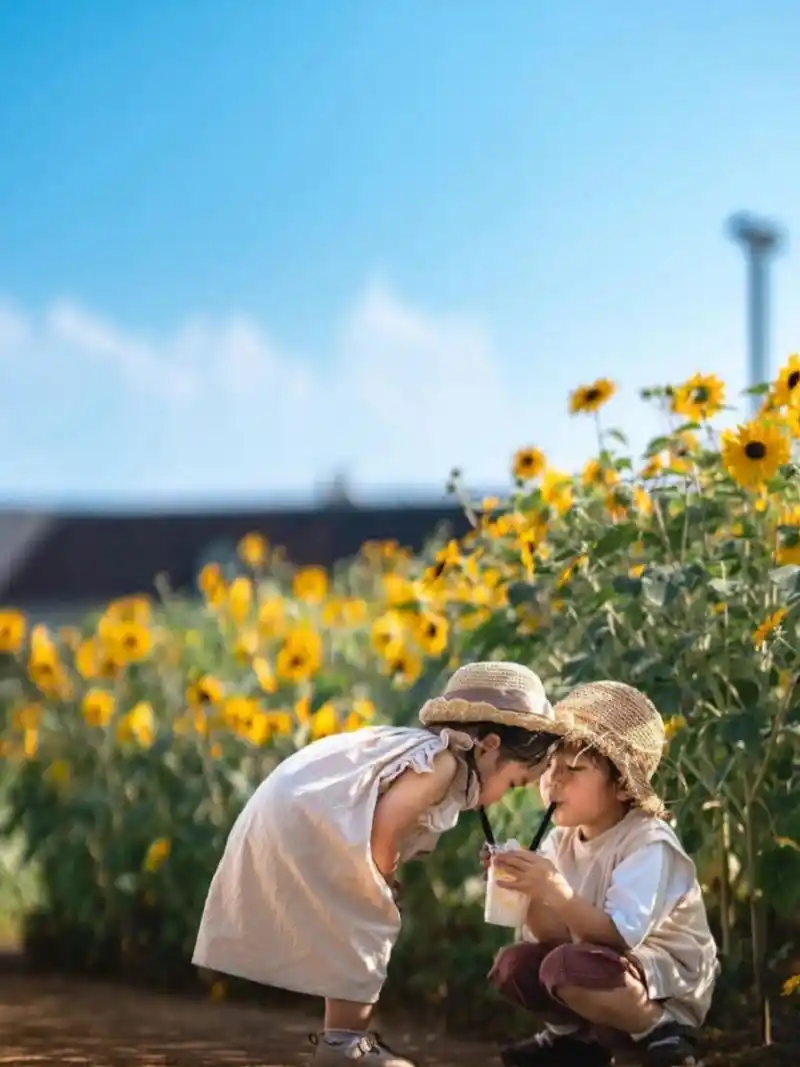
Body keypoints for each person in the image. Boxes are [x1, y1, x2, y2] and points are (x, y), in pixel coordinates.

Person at [192, 661, 565, 1067]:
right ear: (489, 746)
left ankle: (343, 1039)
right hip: (307, 814)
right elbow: (387, 822)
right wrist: (381, 879)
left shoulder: (433, 755)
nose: (503, 797)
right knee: (371, 920)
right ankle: (344, 1044)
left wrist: (383, 875)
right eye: (513, 783)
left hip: (298, 804)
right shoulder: (443, 764)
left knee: (356, 919)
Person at [486, 680, 718, 1067]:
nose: (553, 780)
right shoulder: (560, 840)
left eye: (574, 768)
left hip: (658, 981)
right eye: (551, 766)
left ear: (624, 787)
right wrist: (522, 890)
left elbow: (619, 936)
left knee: (565, 967)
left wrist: (555, 890)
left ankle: (661, 1030)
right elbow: (554, 936)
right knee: (515, 965)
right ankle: (577, 1039)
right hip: (596, 969)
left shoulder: (647, 842)